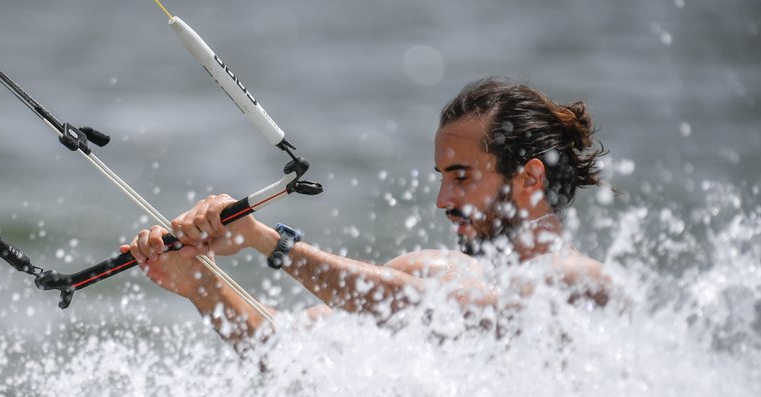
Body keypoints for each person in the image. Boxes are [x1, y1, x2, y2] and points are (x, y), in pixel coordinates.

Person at [124, 77, 612, 348]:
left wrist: (267, 240)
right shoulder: (433, 272)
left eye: (461, 177)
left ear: (529, 179)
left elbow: (435, 312)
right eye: (440, 178)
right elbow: (283, 346)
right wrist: (198, 284)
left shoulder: (579, 283)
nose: (442, 201)